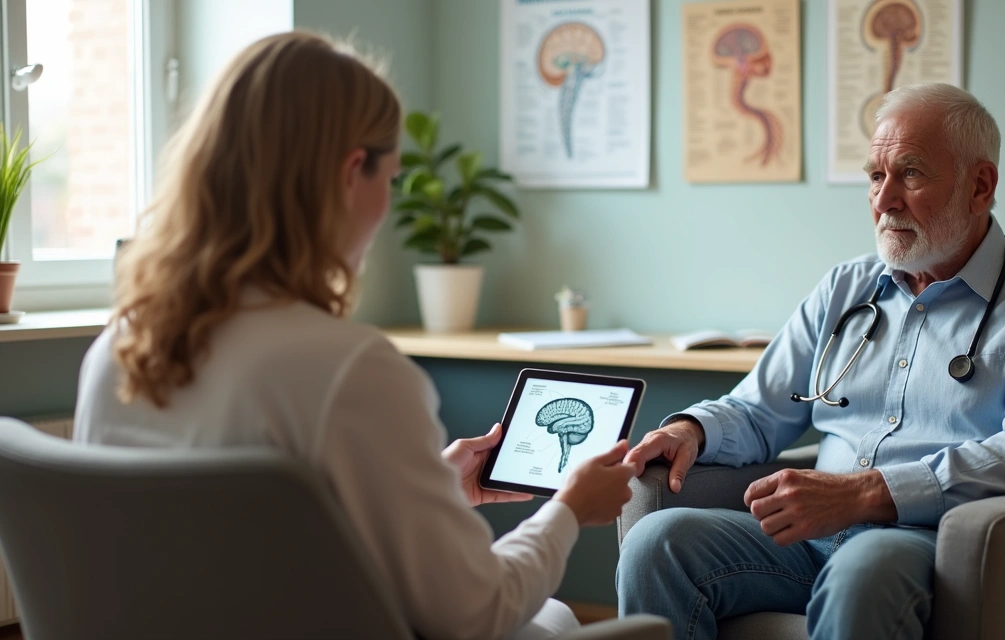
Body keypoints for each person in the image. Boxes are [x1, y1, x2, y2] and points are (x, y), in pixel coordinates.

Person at [72, 32, 637, 640]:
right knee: (553, 618)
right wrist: (569, 508)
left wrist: (431, 486)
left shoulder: (118, 350)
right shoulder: (350, 370)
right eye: (390, 179)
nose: (387, 205)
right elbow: (477, 614)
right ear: (350, 174)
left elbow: (240, 549)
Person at [617, 83, 1005, 639]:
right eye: (876, 177)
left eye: (911, 173)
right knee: (655, 542)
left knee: (863, 570)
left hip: (930, 540)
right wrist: (693, 430)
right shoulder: (846, 287)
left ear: (980, 186)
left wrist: (864, 494)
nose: (884, 200)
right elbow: (759, 410)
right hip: (804, 540)